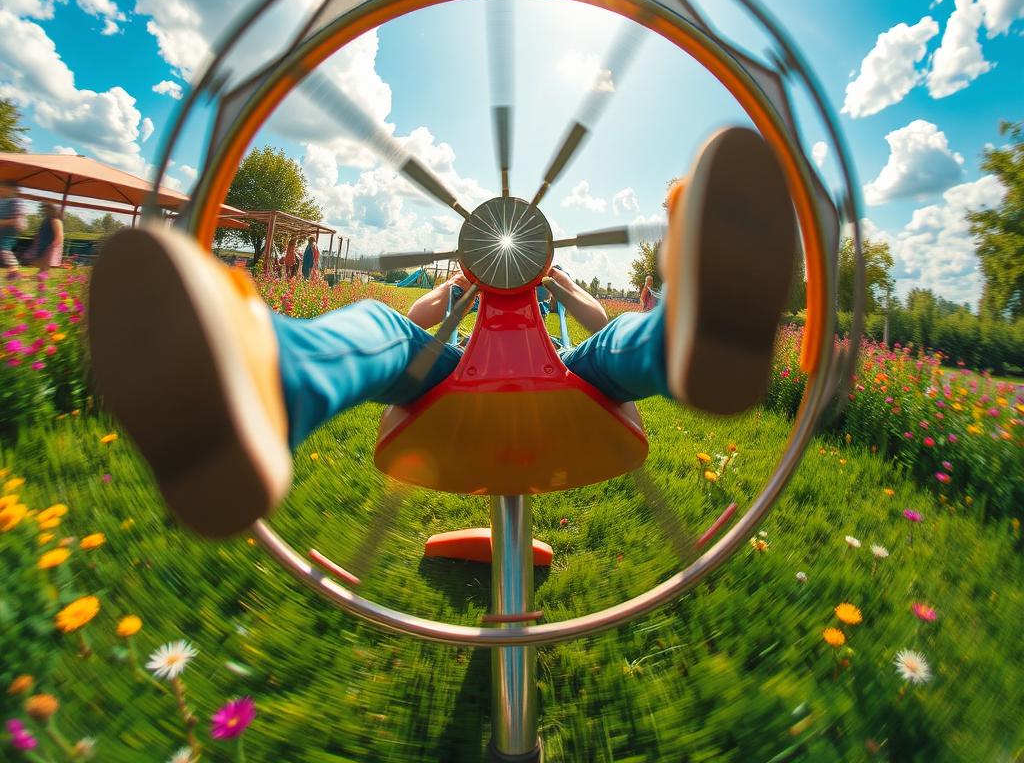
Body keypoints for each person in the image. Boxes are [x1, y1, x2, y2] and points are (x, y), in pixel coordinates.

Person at [88, 127, 796, 538]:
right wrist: (461, 288)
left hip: (565, 370)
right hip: (460, 369)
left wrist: (554, 283)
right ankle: (264, 380)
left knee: (613, 343)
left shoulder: (551, 282)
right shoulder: (464, 283)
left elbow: (598, 319)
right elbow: (422, 318)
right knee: (384, 325)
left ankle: (694, 336)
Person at [25, 203, 64, 270]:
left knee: (44, 262)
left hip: (49, 245)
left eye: (46, 209)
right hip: (42, 244)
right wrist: (36, 237)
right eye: (43, 209)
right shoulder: (46, 220)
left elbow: (60, 235)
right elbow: (42, 231)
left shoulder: (56, 221)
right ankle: (42, 273)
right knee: (37, 261)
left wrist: (53, 246)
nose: (44, 211)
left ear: (52, 210)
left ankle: (43, 273)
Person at [0, 182, 27, 269]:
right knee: (3, 249)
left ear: (13, 190)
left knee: (4, 249)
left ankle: (14, 269)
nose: (1, 192)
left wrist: (8, 222)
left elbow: (19, 219)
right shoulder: (2, 200)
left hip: (8, 231)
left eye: (3, 190)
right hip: (3, 228)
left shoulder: (16, 202)